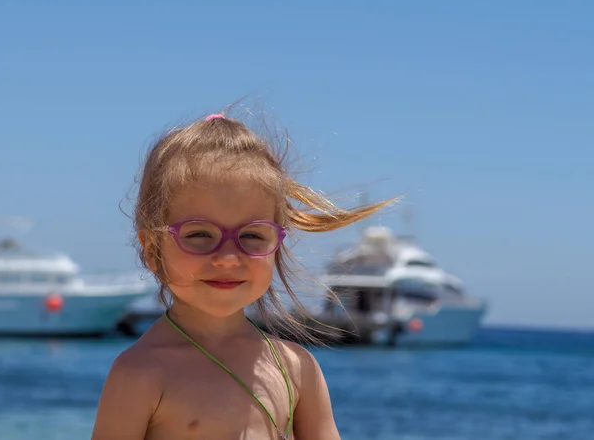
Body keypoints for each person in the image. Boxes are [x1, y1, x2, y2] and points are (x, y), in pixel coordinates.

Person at [91, 111, 395, 440]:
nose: (227, 258)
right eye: (198, 235)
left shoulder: (295, 368)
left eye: (251, 236)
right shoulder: (140, 373)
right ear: (153, 250)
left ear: (276, 245)